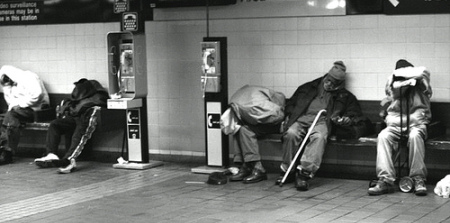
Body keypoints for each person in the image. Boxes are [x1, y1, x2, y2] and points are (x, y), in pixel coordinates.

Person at [276, 61, 367, 191]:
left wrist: (347, 119)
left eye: (334, 83)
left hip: (321, 121)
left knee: (319, 137)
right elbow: (291, 103)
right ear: (326, 76)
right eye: (328, 80)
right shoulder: (308, 87)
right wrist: (288, 116)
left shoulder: (344, 96)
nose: (329, 84)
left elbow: (354, 113)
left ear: (339, 84)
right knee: (291, 133)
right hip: (301, 118)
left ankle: (304, 174)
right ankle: (287, 170)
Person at [368, 59, 432, 196]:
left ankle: (418, 179)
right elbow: (389, 96)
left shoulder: (420, 84)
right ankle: (385, 180)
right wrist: (397, 81)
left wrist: (411, 78)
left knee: (415, 136)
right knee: (383, 136)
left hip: (416, 125)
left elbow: (425, 74)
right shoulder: (393, 85)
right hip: (395, 126)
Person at [34, 78, 109, 174]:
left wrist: (74, 109)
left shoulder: (98, 95)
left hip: (86, 118)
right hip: (75, 118)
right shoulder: (83, 94)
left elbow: (91, 104)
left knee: (78, 134)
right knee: (55, 124)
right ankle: (51, 153)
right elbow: (74, 106)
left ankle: (69, 159)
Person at [221, 85, 285, 183]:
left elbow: (279, 115)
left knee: (245, 130)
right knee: (242, 129)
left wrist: (256, 120)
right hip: (266, 108)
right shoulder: (236, 104)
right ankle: (247, 165)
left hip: (281, 119)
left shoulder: (251, 109)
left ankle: (257, 169)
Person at [0, 65, 49, 165]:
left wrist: (20, 104)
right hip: (19, 111)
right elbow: (10, 101)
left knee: (11, 118)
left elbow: (37, 95)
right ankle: (5, 150)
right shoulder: (8, 85)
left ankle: (7, 152)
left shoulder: (28, 77)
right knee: (10, 119)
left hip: (38, 109)